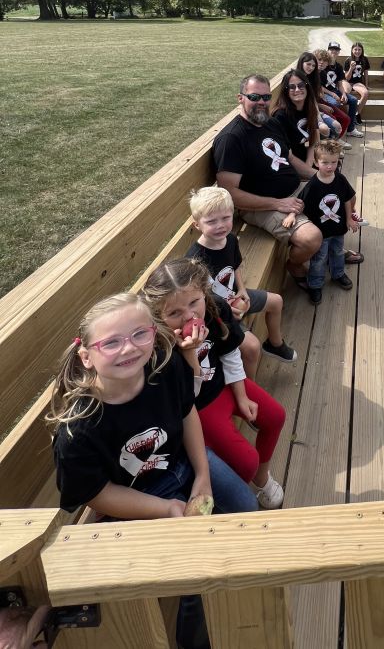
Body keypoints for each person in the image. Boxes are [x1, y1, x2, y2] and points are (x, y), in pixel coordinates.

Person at [48, 290, 256, 517]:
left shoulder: (167, 369)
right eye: (111, 343)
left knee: (247, 507)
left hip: (185, 460)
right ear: (86, 357)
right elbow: (97, 493)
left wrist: (203, 475)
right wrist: (166, 508)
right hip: (135, 495)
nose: (128, 348)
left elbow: (187, 414)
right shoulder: (76, 431)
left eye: (139, 334)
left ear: (154, 335)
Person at [141, 258, 287, 510]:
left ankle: (261, 478)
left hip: (224, 384)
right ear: (159, 315)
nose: (189, 315)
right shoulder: (159, 344)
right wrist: (189, 355)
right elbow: (187, 399)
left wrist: (241, 395)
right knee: (247, 461)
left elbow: (230, 352)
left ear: (204, 293)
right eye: (174, 312)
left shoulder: (214, 308)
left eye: (194, 303)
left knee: (276, 416)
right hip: (197, 408)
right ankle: (241, 487)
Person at [213, 73, 322, 292]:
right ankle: (295, 265)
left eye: (266, 97)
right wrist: (277, 204)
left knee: (336, 191)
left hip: (293, 191)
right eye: (255, 97)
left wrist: (317, 176)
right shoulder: (232, 139)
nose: (262, 103)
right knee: (311, 238)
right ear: (240, 98)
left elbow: (289, 158)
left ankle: (333, 252)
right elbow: (229, 193)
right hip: (260, 205)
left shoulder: (271, 123)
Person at [185, 186, 296, 368]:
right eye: (211, 221)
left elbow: (235, 266)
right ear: (197, 225)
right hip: (216, 313)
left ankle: (275, 344)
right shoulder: (194, 260)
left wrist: (242, 289)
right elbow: (195, 299)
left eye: (226, 218)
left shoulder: (230, 240)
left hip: (235, 295)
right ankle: (247, 391)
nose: (220, 225)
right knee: (252, 348)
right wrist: (225, 308)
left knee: (276, 301)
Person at [299, 139, 360, 304]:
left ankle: (338, 274)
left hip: (338, 228)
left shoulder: (340, 179)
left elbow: (347, 199)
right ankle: (315, 284)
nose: (329, 166)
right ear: (316, 162)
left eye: (333, 162)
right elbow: (301, 203)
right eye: (325, 162)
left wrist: (348, 219)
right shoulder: (313, 185)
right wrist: (291, 215)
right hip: (321, 231)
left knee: (338, 252)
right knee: (319, 258)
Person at [269, 68, 319, 168]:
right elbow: (284, 154)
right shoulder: (280, 116)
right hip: (285, 163)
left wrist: (309, 164)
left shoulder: (310, 108)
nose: (297, 90)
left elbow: (314, 142)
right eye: (292, 87)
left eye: (301, 85)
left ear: (307, 86)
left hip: (302, 157)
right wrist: (308, 171)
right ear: (286, 91)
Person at [297, 51, 343, 141]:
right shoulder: (296, 79)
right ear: (301, 63)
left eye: (313, 66)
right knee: (324, 128)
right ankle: (321, 149)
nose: (311, 68)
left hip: (314, 110)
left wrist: (318, 113)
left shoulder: (311, 78)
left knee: (337, 125)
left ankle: (330, 145)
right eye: (308, 64)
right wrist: (319, 112)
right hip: (303, 114)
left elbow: (313, 99)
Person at [326, 41, 363, 137]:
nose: (334, 52)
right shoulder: (323, 65)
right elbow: (319, 87)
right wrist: (333, 94)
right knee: (335, 103)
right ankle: (335, 131)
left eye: (336, 50)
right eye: (332, 49)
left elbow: (340, 82)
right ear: (328, 50)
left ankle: (351, 129)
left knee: (353, 100)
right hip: (326, 93)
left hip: (335, 91)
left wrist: (343, 94)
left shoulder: (338, 66)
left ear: (338, 52)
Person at [343, 41, 370, 122]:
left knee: (365, 93)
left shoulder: (364, 60)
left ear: (362, 51)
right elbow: (347, 78)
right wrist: (351, 68)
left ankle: (356, 114)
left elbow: (365, 73)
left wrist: (366, 84)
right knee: (346, 92)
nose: (357, 51)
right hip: (347, 82)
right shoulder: (348, 60)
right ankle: (347, 115)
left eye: (359, 49)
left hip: (357, 83)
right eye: (355, 49)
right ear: (352, 50)